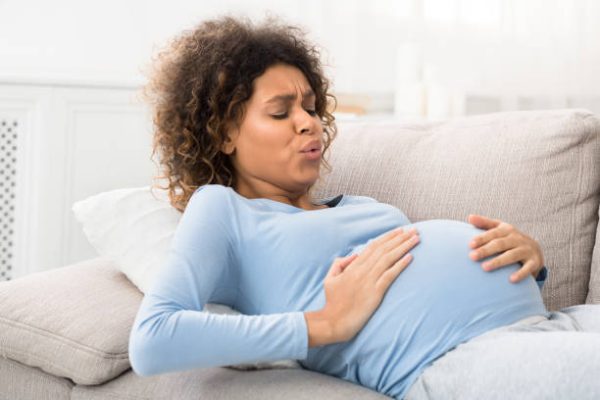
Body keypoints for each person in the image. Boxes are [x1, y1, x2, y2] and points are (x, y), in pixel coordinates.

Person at [128, 15, 600, 400]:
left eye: (311, 108)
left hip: (551, 322)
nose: (307, 123)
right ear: (225, 133)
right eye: (280, 111)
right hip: (460, 358)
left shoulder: (358, 205)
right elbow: (153, 339)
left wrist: (527, 261)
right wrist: (322, 324)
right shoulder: (224, 210)